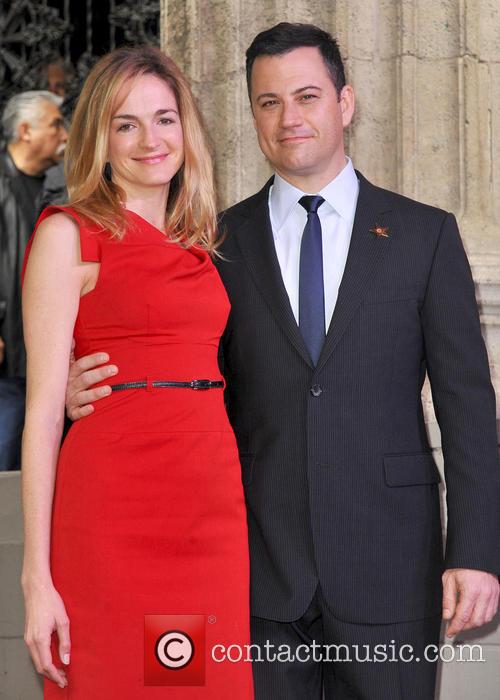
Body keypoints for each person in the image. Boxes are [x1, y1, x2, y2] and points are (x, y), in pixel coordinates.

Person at [65, 24, 500, 699]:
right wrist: (81, 383)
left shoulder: (424, 235)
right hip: (253, 569)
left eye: (306, 96)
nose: (289, 119)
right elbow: (175, 367)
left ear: (345, 103)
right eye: (269, 103)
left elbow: (468, 406)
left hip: (388, 562)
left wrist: (475, 554)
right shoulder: (210, 244)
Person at [21, 46, 253, 698]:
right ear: (100, 135)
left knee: (203, 684)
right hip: (114, 508)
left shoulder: (203, 242)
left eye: (164, 119)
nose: (150, 140)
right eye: (127, 124)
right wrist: (36, 580)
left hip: (209, 509)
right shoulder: (71, 234)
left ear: (188, 129)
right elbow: (40, 414)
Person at [0, 90, 67, 470]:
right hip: (8, 362)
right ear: (25, 130)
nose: (65, 133)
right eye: (55, 124)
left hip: (45, 356)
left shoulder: (60, 186)